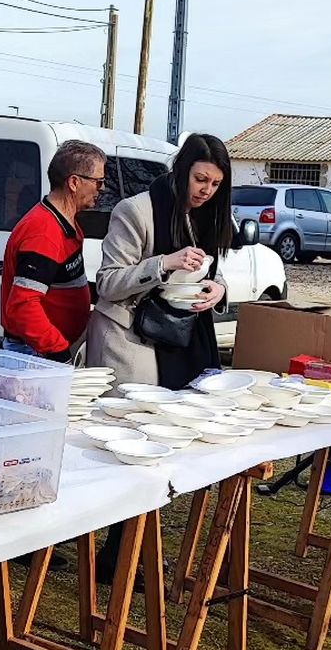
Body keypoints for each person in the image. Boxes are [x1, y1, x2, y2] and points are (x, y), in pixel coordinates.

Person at [87, 133, 233, 583]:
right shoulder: (135, 211)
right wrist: (164, 263)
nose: (206, 190)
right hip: (128, 337)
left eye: (215, 184)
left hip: (179, 336)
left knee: (162, 446)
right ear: (182, 170)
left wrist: (218, 289)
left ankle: (124, 551)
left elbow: (211, 271)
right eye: (200, 179)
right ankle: (117, 552)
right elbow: (108, 282)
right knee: (130, 444)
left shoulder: (204, 216)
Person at [0, 140, 107, 361]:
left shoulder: (65, 223)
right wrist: (58, 352)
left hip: (47, 348)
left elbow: (62, 282)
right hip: (36, 353)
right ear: (74, 182)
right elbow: (23, 306)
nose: (102, 189)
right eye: (98, 182)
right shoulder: (44, 232)